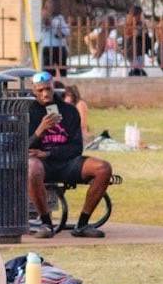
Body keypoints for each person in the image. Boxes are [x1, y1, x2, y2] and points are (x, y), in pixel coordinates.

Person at [27, 70, 113, 237]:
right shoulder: (29, 113)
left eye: (48, 89)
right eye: (40, 91)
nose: (45, 94)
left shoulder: (69, 111)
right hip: (42, 166)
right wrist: (40, 131)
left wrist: (49, 154)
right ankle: (46, 224)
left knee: (103, 168)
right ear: (34, 91)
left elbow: (76, 147)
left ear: (53, 88)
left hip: (66, 162)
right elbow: (23, 147)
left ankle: (82, 224)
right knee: (32, 167)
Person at [41, 2, 70, 76]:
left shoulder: (59, 18)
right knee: (48, 71)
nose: (50, 9)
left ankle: (62, 84)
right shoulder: (41, 17)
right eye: (47, 7)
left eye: (51, 7)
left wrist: (57, 28)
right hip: (47, 47)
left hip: (59, 47)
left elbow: (66, 32)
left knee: (62, 70)